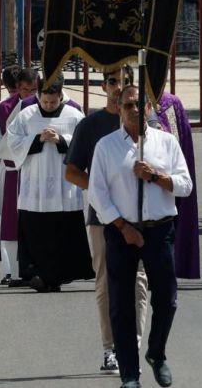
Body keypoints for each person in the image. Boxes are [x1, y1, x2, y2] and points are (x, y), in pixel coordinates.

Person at [88, 85, 192, 388]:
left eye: (139, 104)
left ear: (149, 108)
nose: (134, 109)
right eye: (128, 105)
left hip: (159, 229)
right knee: (121, 305)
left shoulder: (166, 142)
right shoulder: (106, 146)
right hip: (122, 231)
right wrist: (123, 227)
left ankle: (157, 353)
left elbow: (185, 185)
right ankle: (129, 375)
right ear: (119, 108)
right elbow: (97, 193)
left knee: (167, 299)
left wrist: (156, 177)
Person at [65, 65, 149, 374]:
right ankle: (110, 348)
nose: (119, 87)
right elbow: (72, 171)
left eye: (126, 82)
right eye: (113, 81)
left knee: (139, 281)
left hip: (139, 218)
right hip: (102, 219)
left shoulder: (143, 124)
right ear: (104, 86)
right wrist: (100, 190)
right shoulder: (90, 125)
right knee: (106, 282)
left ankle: (133, 347)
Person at [7, 76, 93, 293]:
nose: (48, 106)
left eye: (52, 102)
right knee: (36, 230)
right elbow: (13, 142)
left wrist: (62, 140)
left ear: (60, 96)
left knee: (62, 231)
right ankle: (38, 274)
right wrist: (36, 139)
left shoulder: (74, 115)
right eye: (44, 102)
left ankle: (58, 276)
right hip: (34, 187)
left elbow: (85, 144)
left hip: (64, 187)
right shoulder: (27, 115)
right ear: (39, 96)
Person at [0, 66, 38, 286]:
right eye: (25, 90)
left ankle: (38, 265)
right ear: (18, 88)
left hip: (39, 172)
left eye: (34, 90)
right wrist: (19, 146)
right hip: (13, 171)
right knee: (9, 220)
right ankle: (12, 270)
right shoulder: (2, 108)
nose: (30, 95)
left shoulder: (47, 105)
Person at [151, 92, 201, 279]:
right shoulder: (129, 100)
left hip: (164, 177)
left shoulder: (170, 103)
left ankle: (168, 267)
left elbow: (181, 143)